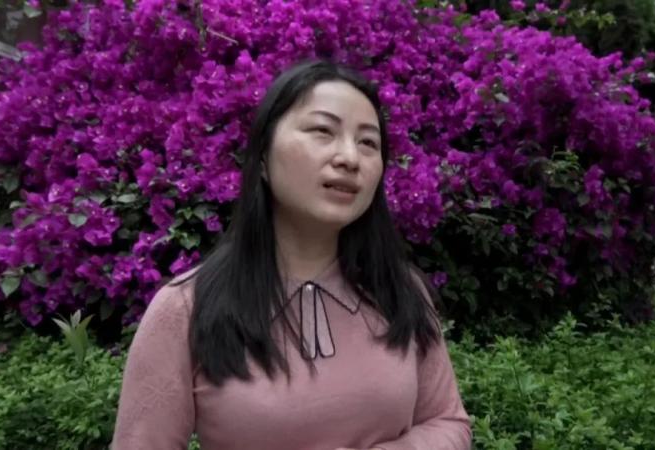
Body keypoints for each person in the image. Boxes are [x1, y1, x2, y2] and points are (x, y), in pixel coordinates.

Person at [111, 59, 472, 450]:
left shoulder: (400, 291)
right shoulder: (185, 308)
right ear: (264, 158)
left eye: (368, 142)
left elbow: (447, 422)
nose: (350, 158)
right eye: (323, 131)